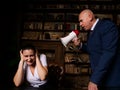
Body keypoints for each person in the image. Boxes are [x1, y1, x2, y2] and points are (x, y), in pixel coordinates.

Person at [72, 9, 120, 90]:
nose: (80, 24)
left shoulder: (107, 26)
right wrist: (80, 45)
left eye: (81, 21)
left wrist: (94, 80)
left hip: (112, 80)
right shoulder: (91, 32)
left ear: (90, 17)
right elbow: (94, 50)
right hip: (101, 79)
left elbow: (108, 53)